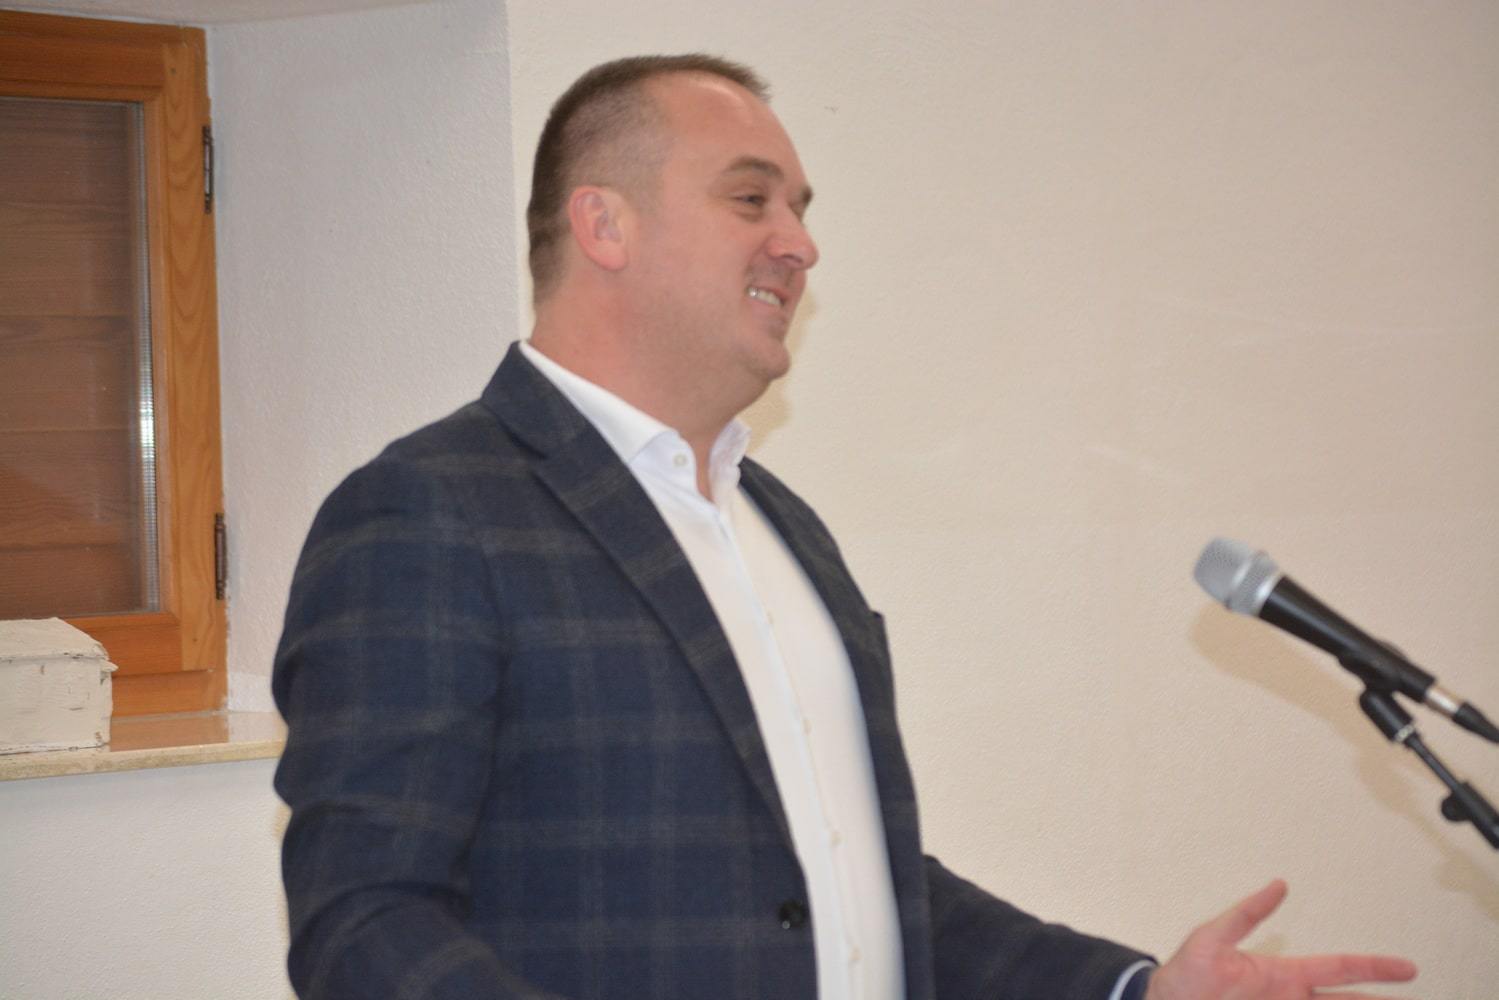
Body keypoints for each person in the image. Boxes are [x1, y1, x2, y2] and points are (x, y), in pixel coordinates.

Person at [272, 55, 1418, 1000]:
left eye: (801, 210)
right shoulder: (429, 511)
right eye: (750, 199)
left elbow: (856, 887)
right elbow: (365, 923)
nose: (799, 244)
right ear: (603, 223)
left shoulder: (783, 530)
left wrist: (1130, 989)